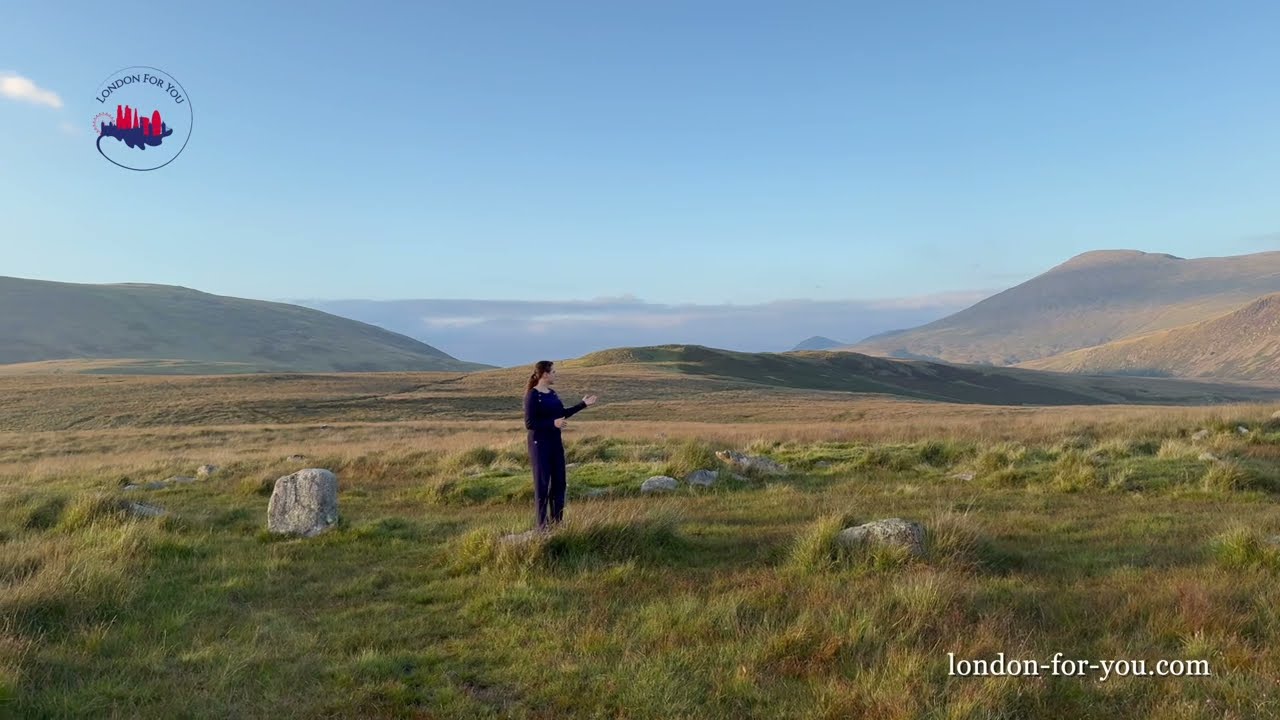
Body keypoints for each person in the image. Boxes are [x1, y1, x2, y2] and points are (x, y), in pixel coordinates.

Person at [524, 360, 598, 531]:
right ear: (544, 374)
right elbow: (530, 423)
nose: (556, 374)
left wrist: (582, 405)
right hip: (539, 444)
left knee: (559, 483)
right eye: (554, 372)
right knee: (542, 485)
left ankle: (558, 523)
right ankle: (542, 526)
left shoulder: (552, 394)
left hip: (555, 443)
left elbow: (562, 414)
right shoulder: (533, 395)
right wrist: (552, 423)